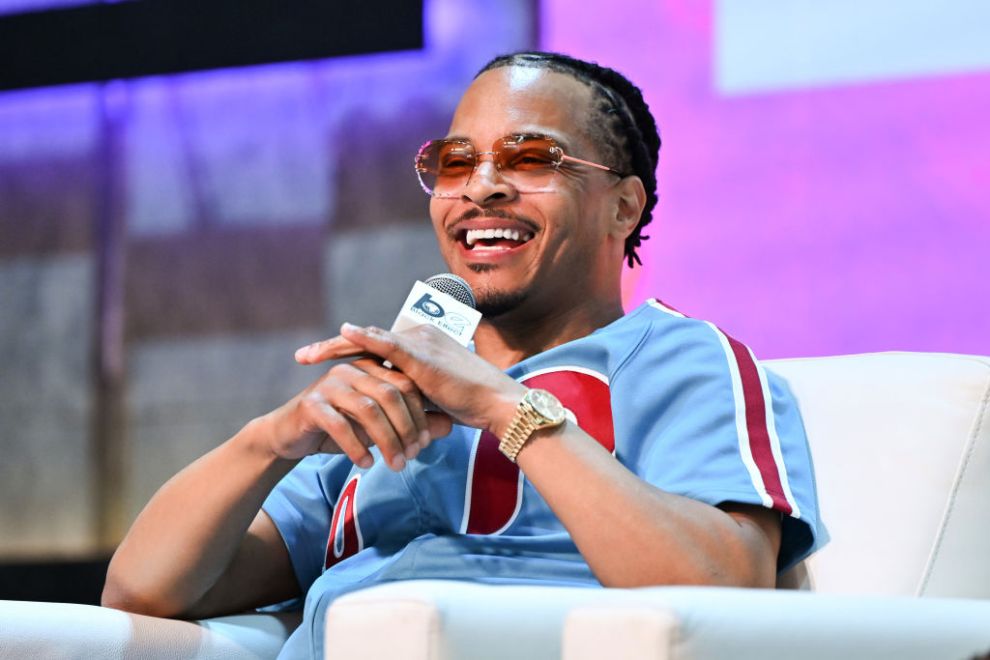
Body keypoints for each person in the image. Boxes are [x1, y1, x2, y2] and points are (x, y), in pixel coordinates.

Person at [102, 51, 823, 658]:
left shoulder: (681, 359)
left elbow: (721, 588)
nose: (481, 187)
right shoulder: (391, 393)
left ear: (623, 206)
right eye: (455, 162)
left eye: (530, 157)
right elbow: (141, 592)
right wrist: (272, 439)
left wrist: (503, 406)